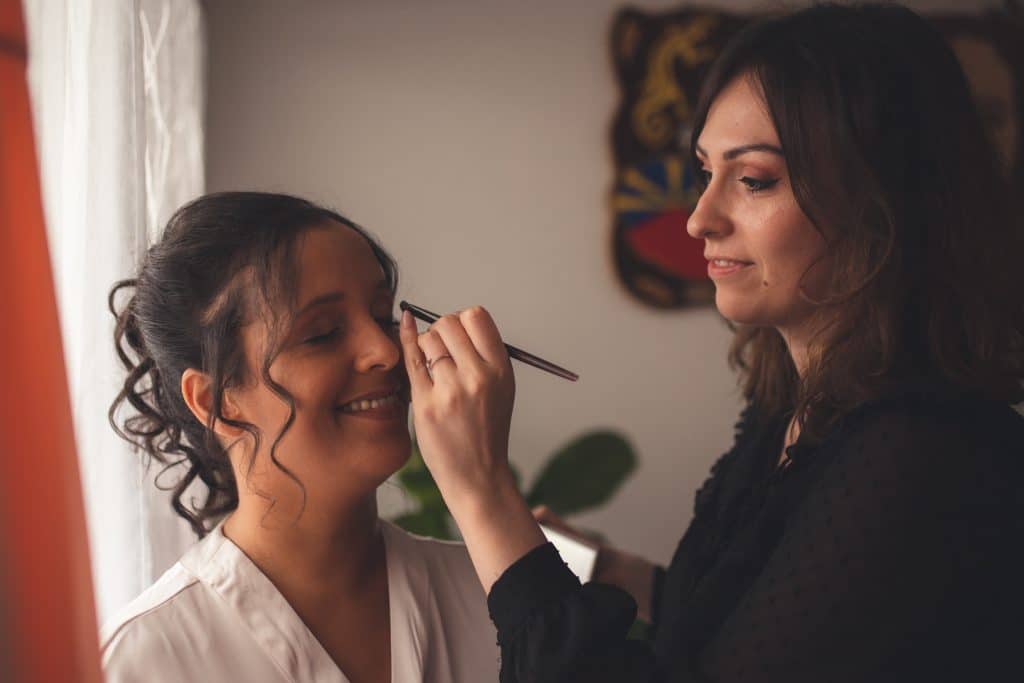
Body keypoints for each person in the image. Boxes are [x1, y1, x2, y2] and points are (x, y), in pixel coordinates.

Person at [397, 4, 1024, 681]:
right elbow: (764, 625)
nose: (699, 218)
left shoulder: (921, 452)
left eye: (753, 179)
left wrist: (483, 491)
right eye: (705, 171)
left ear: (883, 199)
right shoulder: (798, 404)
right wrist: (613, 571)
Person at [101, 192, 498, 682]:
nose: (386, 351)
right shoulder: (146, 661)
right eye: (323, 333)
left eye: (381, 316)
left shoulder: (495, 599)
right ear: (216, 400)